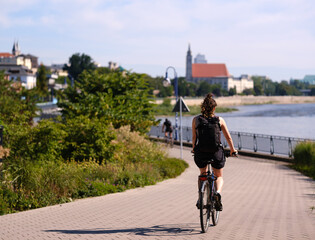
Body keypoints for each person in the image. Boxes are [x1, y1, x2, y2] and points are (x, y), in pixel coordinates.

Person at [192, 93, 237, 211]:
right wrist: (233, 150)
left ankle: (200, 197)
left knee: (203, 174)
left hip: (201, 153)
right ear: (214, 108)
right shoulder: (219, 120)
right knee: (219, 176)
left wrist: (193, 148)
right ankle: (217, 193)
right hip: (216, 153)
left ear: (202, 107)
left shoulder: (196, 120)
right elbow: (228, 138)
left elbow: (194, 138)